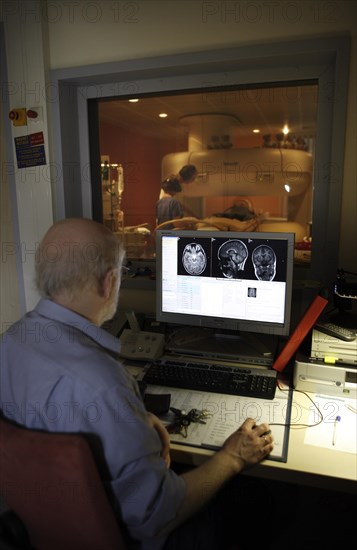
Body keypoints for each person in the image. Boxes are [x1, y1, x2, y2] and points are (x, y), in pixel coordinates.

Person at [0, 218, 274, 550]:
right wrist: (234, 455)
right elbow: (160, 515)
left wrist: (134, 420)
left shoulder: (12, 342)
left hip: (46, 528)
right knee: (259, 503)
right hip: (131, 538)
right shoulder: (103, 383)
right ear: (109, 282)